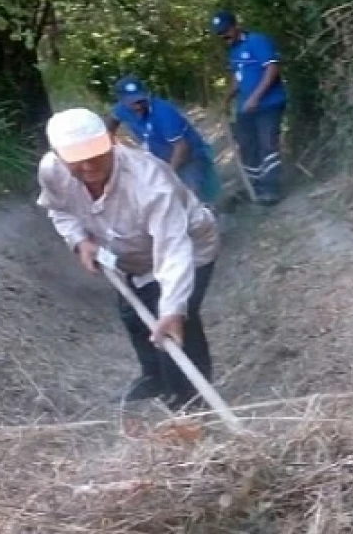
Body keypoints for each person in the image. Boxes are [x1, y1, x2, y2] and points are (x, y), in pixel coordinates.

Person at [36, 107, 220, 408]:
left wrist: (173, 309)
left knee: (174, 324)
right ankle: (155, 378)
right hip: (130, 253)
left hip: (189, 248)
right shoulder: (52, 171)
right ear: (58, 155)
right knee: (134, 316)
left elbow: (174, 248)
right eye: (76, 157)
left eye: (95, 152)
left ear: (112, 140)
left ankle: (189, 403)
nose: (88, 165)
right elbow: (59, 209)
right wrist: (80, 241)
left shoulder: (149, 183)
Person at [105, 74, 222, 206]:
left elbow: (182, 147)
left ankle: (213, 217)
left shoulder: (164, 112)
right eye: (132, 103)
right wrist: (109, 143)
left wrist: (169, 173)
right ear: (122, 101)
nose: (138, 106)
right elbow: (112, 121)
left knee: (192, 195)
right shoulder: (122, 110)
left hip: (190, 155)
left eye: (140, 100)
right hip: (160, 156)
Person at [211, 10, 287, 206]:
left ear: (235, 26)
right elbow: (238, 79)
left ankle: (271, 189)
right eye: (219, 34)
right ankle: (254, 185)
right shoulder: (233, 51)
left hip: (269, 104)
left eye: (226, 31)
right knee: (246, 145)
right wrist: (226, 100)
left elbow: (272, 69)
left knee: (267, 144)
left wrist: (256, 97)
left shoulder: (257, 41)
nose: (223, 36)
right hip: (246, 107)